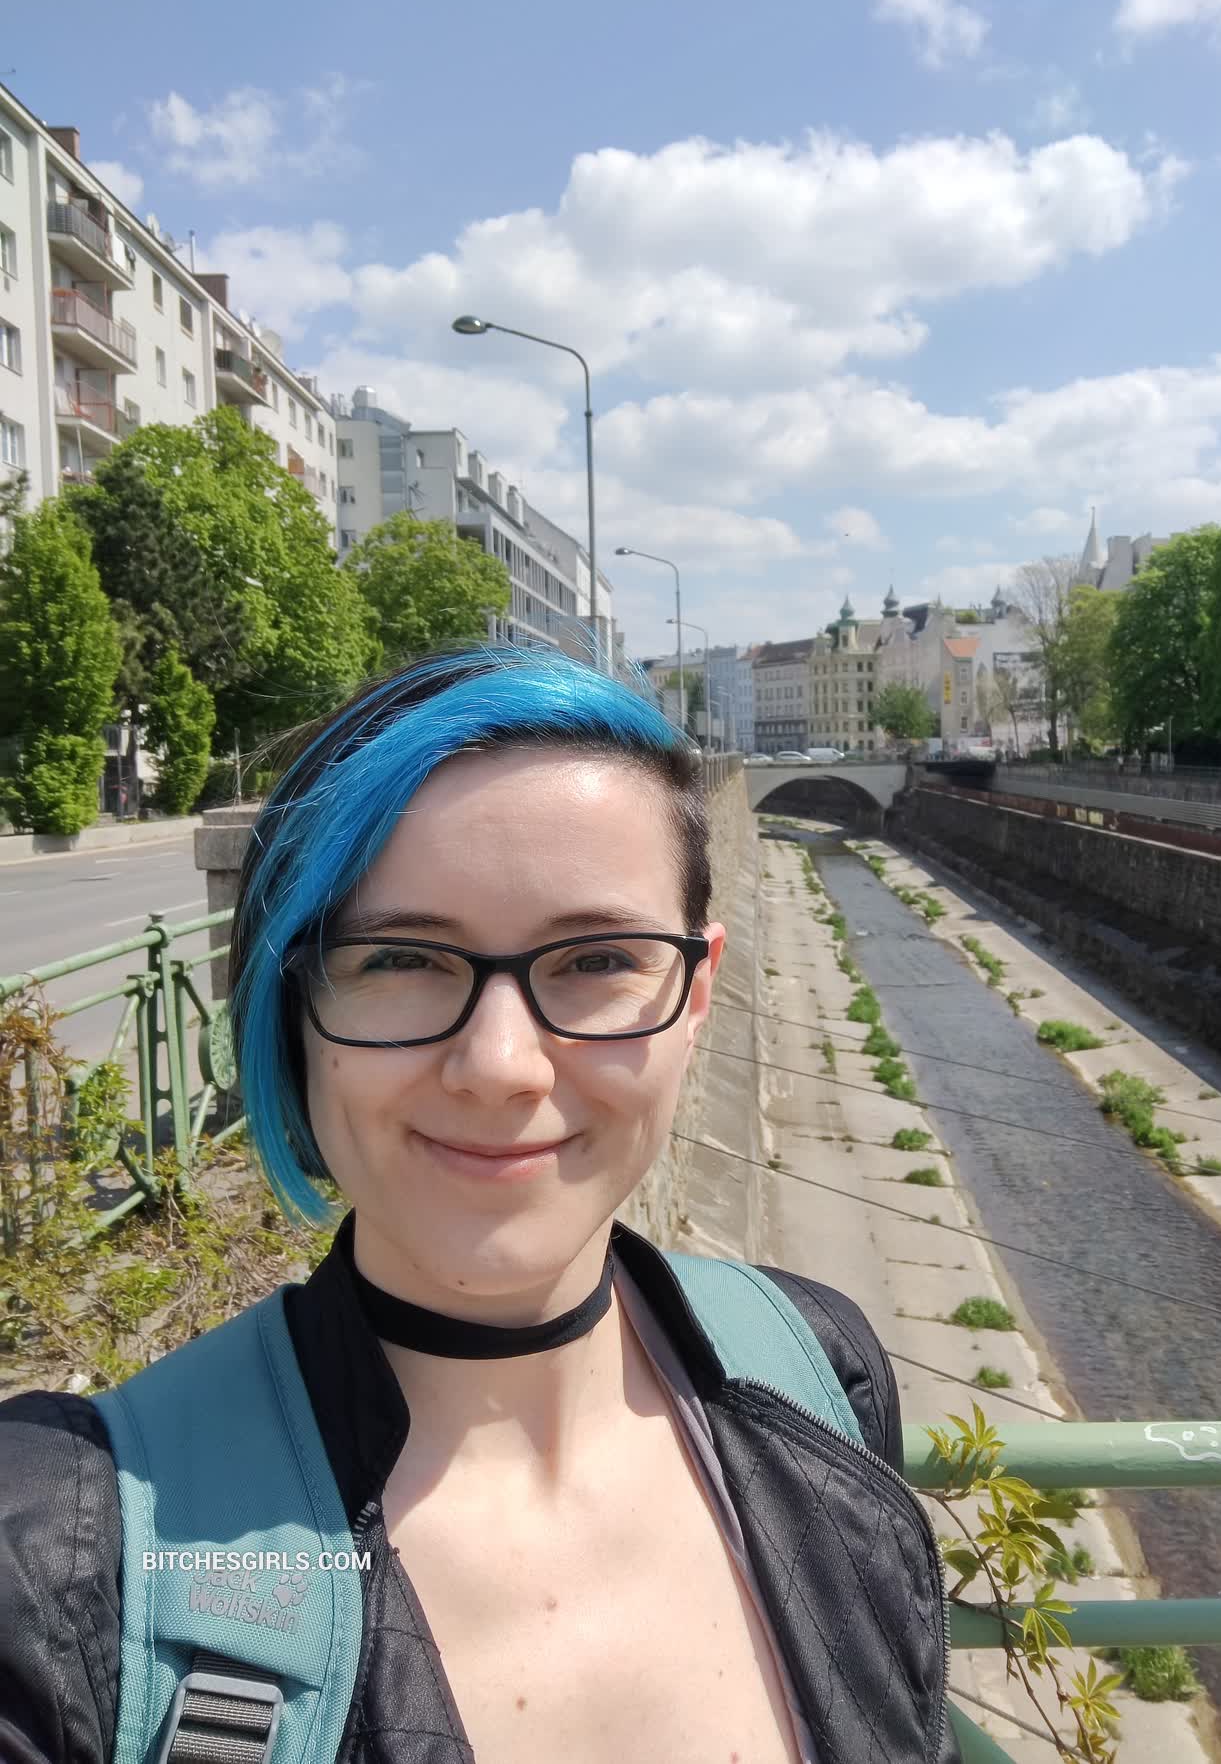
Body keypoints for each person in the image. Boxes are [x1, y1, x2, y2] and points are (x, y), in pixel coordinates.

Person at [0, 641, 955, 1763]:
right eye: (400, 958)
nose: (500, 1066)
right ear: (290, 1007)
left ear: (696, 992)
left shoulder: (820, 1376)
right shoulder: (62, 1556)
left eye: (595, 960)